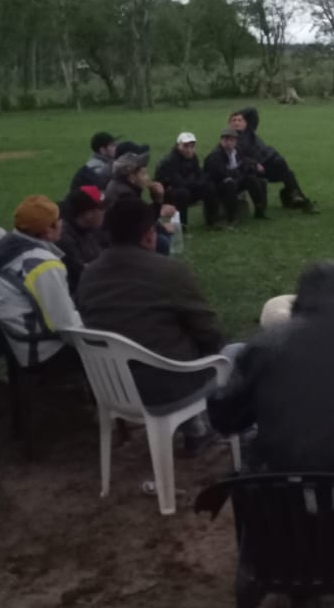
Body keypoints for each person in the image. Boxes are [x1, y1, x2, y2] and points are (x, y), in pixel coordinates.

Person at [207, 261, 334, 490]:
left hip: (286, 492)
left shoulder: (267, 343)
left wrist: (214, 391)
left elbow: (226, 419)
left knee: (254, 451)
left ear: (300, 297)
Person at [77, 194, 233, 453]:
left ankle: (195, 426)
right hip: (165, 390)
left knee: (163, 340)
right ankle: (204, 428)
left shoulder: (88, 274)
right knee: (229, 354)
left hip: (110, 387)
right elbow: (209, 331)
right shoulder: (169, 272)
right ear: (149, 235)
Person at [0, 195, 82, 368]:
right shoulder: (43, 265)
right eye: (58, 220)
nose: (62, 223)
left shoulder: (3, 249)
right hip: (44, 352)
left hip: (20, 344)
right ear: (47, 231)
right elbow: (65, 326)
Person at [228, 108, 315, 213]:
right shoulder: (231, 140)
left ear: (246, 123)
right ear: (229, 124)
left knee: (287, 173)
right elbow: (237, 158)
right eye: (233, 120)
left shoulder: (249, 130)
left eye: (239, 120)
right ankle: (297, 198)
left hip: (270, 161)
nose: (236, 123)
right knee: (282, 166)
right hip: (257, 170)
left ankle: (296, 199)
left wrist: (238, 112)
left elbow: (252, 111)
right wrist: (254, 164)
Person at [103, 147, 176, 255]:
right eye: (143, 174)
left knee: (162, 231)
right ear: (132, 177)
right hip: (122, 244)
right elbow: (142, 223)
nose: (147, 178)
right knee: (162, 242)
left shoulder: (121, 186)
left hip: (123, 237)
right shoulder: (125, 196)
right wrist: (158, 201)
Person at [203, 128, 267, 226]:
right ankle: (232, 217)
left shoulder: (237, 150)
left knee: (252, 179)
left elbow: (244, 160)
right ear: (221, 140)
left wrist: (254, 164)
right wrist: (241, 171)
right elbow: (223, 174)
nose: (228, 142)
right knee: (230, 183)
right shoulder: (216, 155)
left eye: (231, 140)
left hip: (234, 179)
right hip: (218, 185)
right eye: (225, 140)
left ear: (235, 141)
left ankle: (259, 210)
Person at [154, 132, 218, 229]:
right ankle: (182, 226)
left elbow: (199, 174)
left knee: (209, 187)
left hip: (187, 187)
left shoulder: (193, 157)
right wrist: (196, 183)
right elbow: (177, 182)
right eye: (185, 146)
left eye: (192, 146)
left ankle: (211, 222)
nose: (189, 150)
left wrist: (202, 181)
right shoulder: (170, 160)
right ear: (178, 146)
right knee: (182, 193)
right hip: (166, 193)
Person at [56, 185, 108, 295]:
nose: (105, 211)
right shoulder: (64, 239)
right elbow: (83, 274)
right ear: (88, 213)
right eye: (102, 207)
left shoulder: (91, 228)